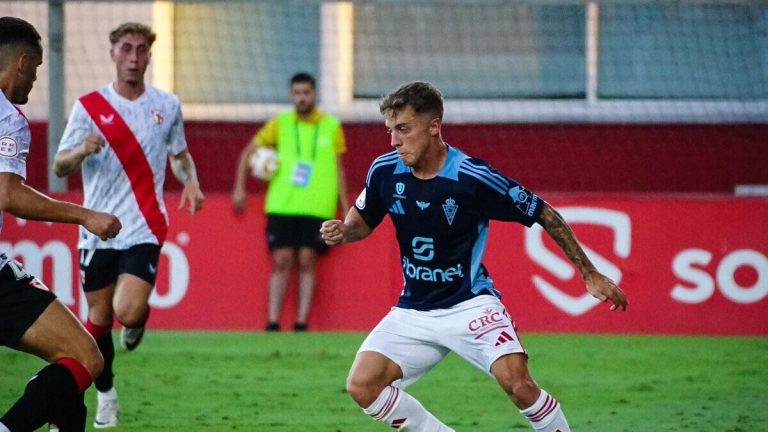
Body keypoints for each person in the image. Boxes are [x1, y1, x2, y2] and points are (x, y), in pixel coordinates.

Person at [320, 81, 628, 431]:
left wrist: (588, 272)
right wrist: (344, 231)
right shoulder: (385, 171)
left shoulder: (472, 178)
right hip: (414, 310)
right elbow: (363, 222)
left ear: (434, 126)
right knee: (362, 385)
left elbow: (543, 212)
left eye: (403, 129)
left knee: (519, 385)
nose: (394, 141)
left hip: (470, 305)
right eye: (390, 131)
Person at [52, 22, 204, 428]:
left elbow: (180, 153)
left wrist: (191, 181)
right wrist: (81, 151)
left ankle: (137, 321)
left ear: (150, 56)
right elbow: (59, 164)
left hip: (145, 225)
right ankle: (106, 394)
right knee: (98, 321)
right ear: (113, 53)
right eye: (126, 49)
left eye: (141, 50)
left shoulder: (167, 105)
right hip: (98, 226)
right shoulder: (88, 107)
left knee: (129, 309)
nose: (134, 57)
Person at [0, 16, 123, 431]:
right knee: (85, 357)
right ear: (20, 63)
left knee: (68, 391)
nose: (33, 83)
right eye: (34, 71)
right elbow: (10, 195)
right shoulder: (7, 118)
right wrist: (86, 215)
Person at [232, 72, 348, 332]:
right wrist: (239, 188)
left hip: (318, 205)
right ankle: (272, 322)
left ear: (314, 94)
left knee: (308, 259)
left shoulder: (331, 126)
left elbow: (339, 168)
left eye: (306, 93)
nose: (302, 98)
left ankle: (301, 323)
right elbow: (247, 152)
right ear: (291, 95)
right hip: (282, 204)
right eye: (297, 93)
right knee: (282, 259)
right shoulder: (280, 124)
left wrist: (347, 205)